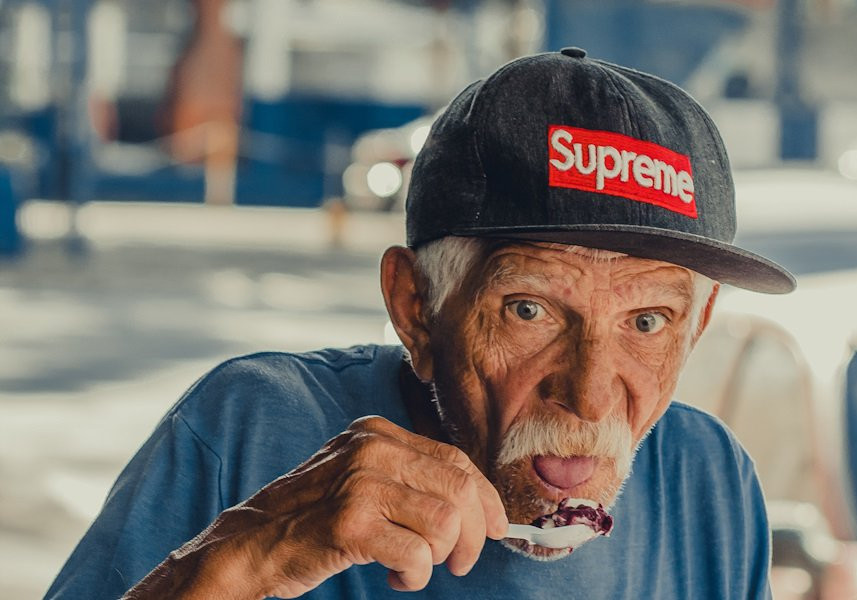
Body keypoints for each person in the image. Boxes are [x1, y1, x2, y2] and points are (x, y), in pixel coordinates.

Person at [45, 48, 795, 599]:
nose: (591, 397)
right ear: (416, 309)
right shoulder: (251, 432)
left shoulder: (708, 484)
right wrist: (247, 559)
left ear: (697, 328)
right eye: (529, 309)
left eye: (648, 321)